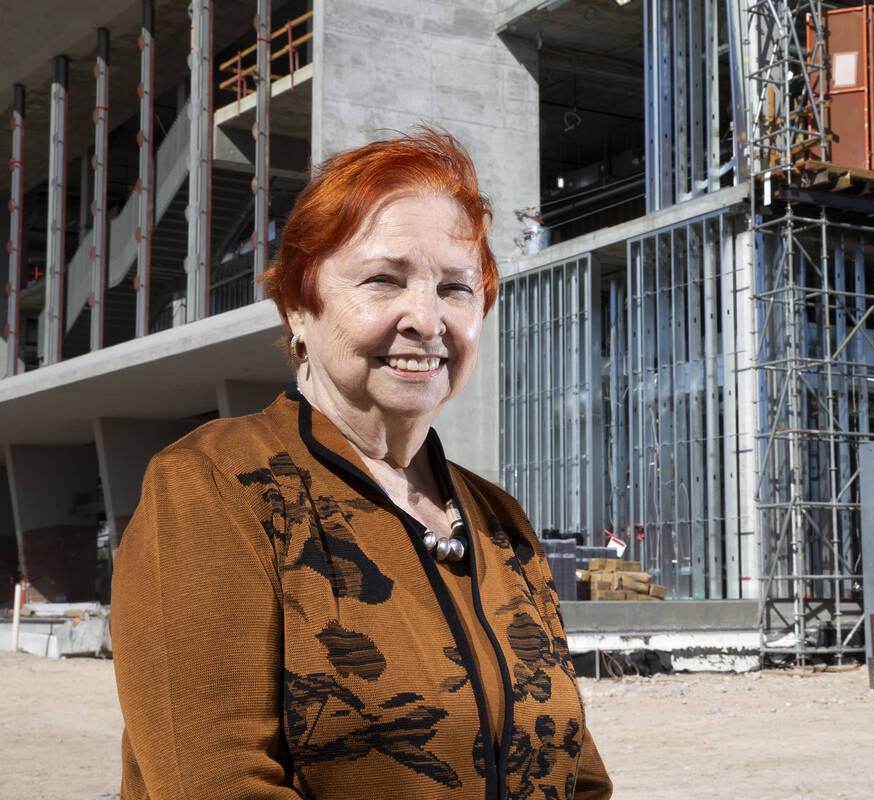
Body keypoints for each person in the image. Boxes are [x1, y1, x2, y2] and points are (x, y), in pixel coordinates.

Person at [111, 127, 612, 799]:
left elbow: (575, 771)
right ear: (298, 307)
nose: (427, 319)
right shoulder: (217, 486)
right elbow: (216, 782)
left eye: (457, 289)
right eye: (384, 280)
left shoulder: (499, 521)